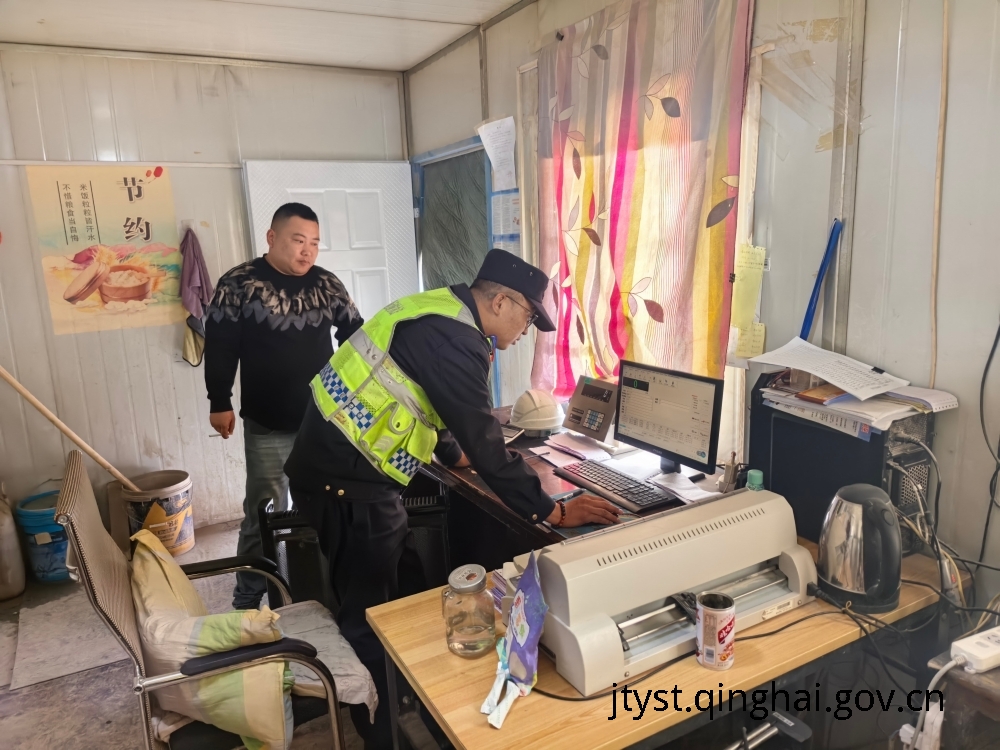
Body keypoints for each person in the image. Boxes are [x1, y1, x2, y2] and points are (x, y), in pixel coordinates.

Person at [284, 248, 621, 747]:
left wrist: (452, 451)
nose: (527, 330)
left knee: (407, 596)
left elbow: (420, 393)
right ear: (501, 302)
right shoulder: (458, 340)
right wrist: (553, 509)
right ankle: (383, 735)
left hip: (339, 471)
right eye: (529, 317)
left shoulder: (440, 309)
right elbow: (488, 445)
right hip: (347, 485)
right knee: (370, 616)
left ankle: (416, 707)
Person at [205, 202, 363, 610]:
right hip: (269, 422)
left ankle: (321, 585)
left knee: (325, 502)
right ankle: (247, 596)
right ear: (272, 238)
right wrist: (219, 400)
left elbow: (356, 336)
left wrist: (358, 390)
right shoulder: (239, 283)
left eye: (314, 243)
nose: (307, 250)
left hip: (324, 421)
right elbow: (220, 346)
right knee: (263, 511)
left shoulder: (326, 284)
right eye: (298, 240)